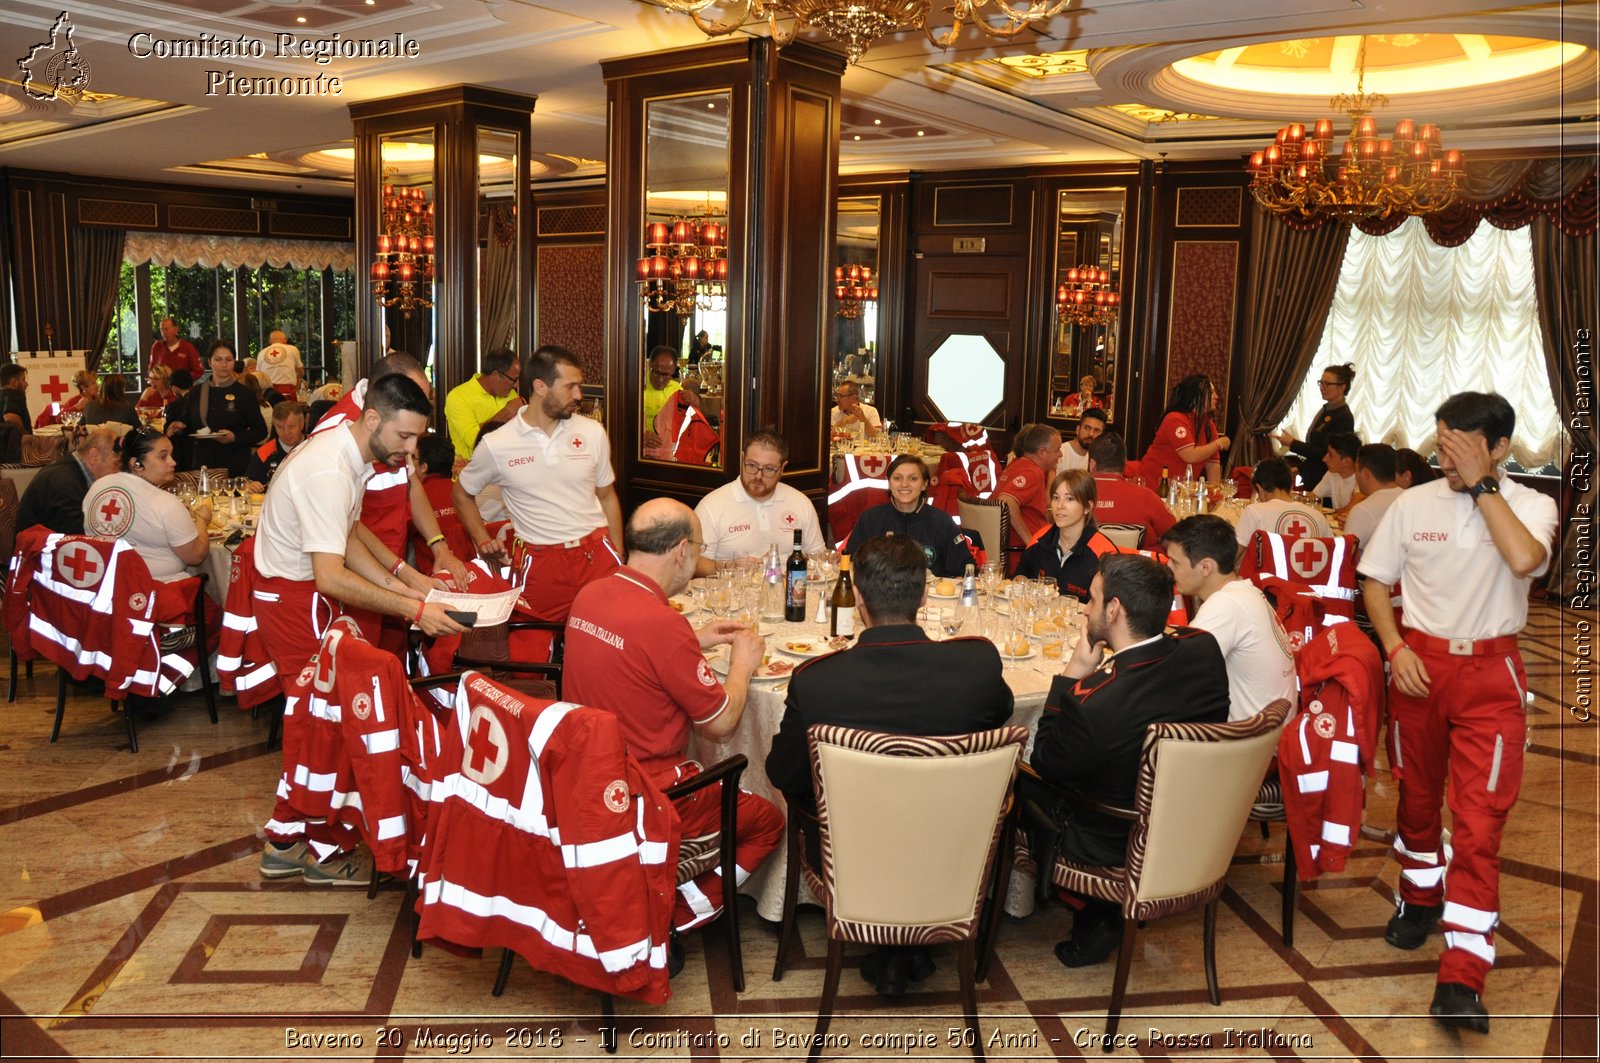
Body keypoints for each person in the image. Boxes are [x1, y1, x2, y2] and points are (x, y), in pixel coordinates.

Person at [1357, 392, 1557, 1034]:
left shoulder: (1532, 505)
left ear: (1498, 446)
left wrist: (1482, 487)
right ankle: (1419, 897)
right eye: (1441, 444)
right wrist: (1393, 647)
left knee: (1478, 825)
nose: (1446, 458)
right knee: (1416, 800)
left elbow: (1526, 561)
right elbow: (1374, 581)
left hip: (1491, 677)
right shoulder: (1412, 503)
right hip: (1418, 668)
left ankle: (1462, 974)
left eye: (1461, 447)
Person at [766, 532, 1012, 996]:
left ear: (856, 596)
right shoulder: (978, 665)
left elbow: (784, 774)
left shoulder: (819, 682)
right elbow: (997, 725)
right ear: (923, 595)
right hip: (955, 852)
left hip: (851, 857)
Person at [254, 373, 466, 884]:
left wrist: (406, 583)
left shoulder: (347, 453)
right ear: (372, 419)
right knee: (319, 726)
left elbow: (346, 532)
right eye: (403, 437)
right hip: (295, 601)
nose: (411, 452)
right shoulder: (328, 468)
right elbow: (330, 573)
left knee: (324, 723)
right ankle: (308, 849)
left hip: (307, 597)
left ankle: (290, 838)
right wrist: (411, 610)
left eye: (417, 439)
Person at [563, 498, 783, 942]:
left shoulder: (592, 593)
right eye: (698, 550)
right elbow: (720, 722)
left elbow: (632, 653)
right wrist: (742, 665)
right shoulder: (661, 623)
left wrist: (693, 639)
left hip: (582, 777)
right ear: (681, 551)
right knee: (767, 821)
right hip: (652, 793)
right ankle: (674, 915)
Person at [1029, 553, 1230, 967]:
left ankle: (1085, 908)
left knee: (1016, 778)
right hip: (1195, 825)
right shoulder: (1205, 650)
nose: (1086, 608)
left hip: (1114, 840)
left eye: (1093, 599)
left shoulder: (1098, 702)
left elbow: (1046, 759)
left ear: (1115, 610)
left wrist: (1071, 675)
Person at [454, 344, 623, 623]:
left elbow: (607, 496)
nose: (579, 395)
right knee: (535, 649)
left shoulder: (593, 432)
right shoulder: (497, 444)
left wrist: (617, 553)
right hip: (542, 563)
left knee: (610, 639)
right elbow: (461, 493)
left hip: (597, 556)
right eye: (570, 387)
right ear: (540, 387)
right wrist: (481, 539)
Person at [312, 352, 471, 607]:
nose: (412, 448)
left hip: (393, 561)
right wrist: (402, 579)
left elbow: (410, 485)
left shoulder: (398, 429)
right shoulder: (337, 435)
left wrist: (439, 547)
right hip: (355, 573)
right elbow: (346, 534)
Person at [1161, 514, 1296, 721]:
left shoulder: (1226, 605)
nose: (1168, 569)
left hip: (1245, 742)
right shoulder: (1243, 593)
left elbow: (1173, 673)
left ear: (1206, 567)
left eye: (1175, 562)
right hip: (1267, 731)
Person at [82, 427, 212, 582]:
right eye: (163, 457)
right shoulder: (166, 503)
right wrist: (202, 521)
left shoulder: (97, 486)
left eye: (171, 455)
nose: (173, 462)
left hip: (109, 585)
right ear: (136, 464)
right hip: (158, 591)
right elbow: (196, 555)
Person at [693, 431, 825, 576]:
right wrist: (731, 566)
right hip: (735, 593)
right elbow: (694, 563)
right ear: (743, 458)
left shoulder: (800, 502)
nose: (758, 476)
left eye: (768, 469)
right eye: (752, 465)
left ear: (782, 468)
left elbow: (818, 557)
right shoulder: (712, 506)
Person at [844, 454, 975, 576]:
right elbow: (850, 563)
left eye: (913, 478)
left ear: (924, 484)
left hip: (929, 597)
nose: (904, 484)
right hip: (879, 595)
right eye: (897, 478)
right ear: (889, 483)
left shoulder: (942, 522)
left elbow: (965, 570)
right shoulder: (870, 519)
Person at [1016, 469, 1117, 601]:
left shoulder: (1104, 554)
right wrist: (1020, 581)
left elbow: (1111, 608)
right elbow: (1019, 577)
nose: (1059, 505)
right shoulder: (1040, 540)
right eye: (1056, 498)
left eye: (1069, 499)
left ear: (1087, 507)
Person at [166, 341, 265, 476]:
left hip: (235, 464)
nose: (224, 365)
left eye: (229, 360)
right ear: (209, 362)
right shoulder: (196, 392)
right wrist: (178, 426)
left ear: (234, 362)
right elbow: (187, 421)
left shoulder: (244, 394)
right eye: (218, 359)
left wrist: (234, 437)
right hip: (202, 464)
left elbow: (261, 431)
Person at [16, 427, 120, 535]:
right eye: (116, 464)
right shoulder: (62, 483)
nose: (119, 472)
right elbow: (76, 538)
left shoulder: (72, 473)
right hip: (37, 550)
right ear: (94, 456)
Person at [1086, 433, 1174, 550]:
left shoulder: (1072, 495)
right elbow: (1176, 535)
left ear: (1092, 465)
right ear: (1125, 463)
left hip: (1084, 566)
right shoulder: (1147, 497)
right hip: (1137, 566)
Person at [1275, 363, 1356, 490]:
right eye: (1321, 383)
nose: (1322, 387)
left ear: (1342, 387)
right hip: (1313, 478)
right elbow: (1316, 450)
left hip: (1327, 481)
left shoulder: (1343, 417)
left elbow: (1327, 454)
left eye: (1327, 384)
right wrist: (1301, 468)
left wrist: (1293, 443)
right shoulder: (1327, 410)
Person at [1141, 373, 1229, 484]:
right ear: (1196, 397)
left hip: (1181, 490)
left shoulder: (1208, 425)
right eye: (1211, 393)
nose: (1216, 396)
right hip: (1155, 486)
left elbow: (1212, 464)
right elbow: (1190, 455)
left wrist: (1216, 495)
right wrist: (1219, 443)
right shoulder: (1175, 419)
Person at [996, 423, 1063, 558]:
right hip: (1022, 554)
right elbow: (1005, 501)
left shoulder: (1016, 465)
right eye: (1057, 450)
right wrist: (1030, 541)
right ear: (1042, 452)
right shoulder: (1032, 473)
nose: (1061, 454)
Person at [443, 347, 523, 461]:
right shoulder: (458, 397)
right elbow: (474, 440)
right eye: (513, 380)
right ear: (495, 375)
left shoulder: (510, 394)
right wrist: (506, 413)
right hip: (471, 472)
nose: (517, 385)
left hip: (506, 471)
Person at [1234, 457, 1332, 547]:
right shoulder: (1319, 517)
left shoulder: (1254, 511)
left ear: (1259, 488)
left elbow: (1233, 556)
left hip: (1271, 567)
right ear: (1290, 486)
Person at [1344, 443, 1403, 548]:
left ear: (1366, 474)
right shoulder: (1411, 498)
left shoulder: (1363, 510)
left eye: (1356, 469)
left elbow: (1346, 556)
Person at [244, 401, 308, 488]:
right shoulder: (264, 453)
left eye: (291, 427)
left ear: (302, 424)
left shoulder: (314, 447)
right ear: (274, 426)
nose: (286, 433)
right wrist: (251, 486)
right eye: (280, 427)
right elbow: (249, 481)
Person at [641, 346, 682, 446]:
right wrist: (638, 436)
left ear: (673, 371)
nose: (660, 380)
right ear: (650, 365)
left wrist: (696, 401)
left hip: (670, 451)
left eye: (666, 375)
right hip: (644, 452)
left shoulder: (677, 390)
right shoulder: (637, 388)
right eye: (656, 373)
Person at [1313, 431, 1361, 511]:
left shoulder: (1362, 479)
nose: (1324, 459)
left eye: (1330, 455)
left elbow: (1350, 510)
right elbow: (1313, 497)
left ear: (1346, 461)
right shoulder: (1332, 473)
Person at [1055, 407, 1106, 473]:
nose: (1091, 434)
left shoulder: (1099, 459)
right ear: (1078, 429)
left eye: (1096, 430)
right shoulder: (1060, 453)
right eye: (1087, 428)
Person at [257, 330, 303, 399]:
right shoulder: (293, 349)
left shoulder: (261, 353)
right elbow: (300, 370)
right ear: (285, 340)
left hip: (268, 392)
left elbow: (258, 375)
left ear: (270, 341)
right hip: (287, 390)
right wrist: (298, 381)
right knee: (289, 409)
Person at [0, 364, 33, 434]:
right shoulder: (14, 395)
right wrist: (25, 435)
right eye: (23, 379)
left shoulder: (2, 395)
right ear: (14, 382)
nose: (26, 384)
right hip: (15, 444)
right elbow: (10, 417)